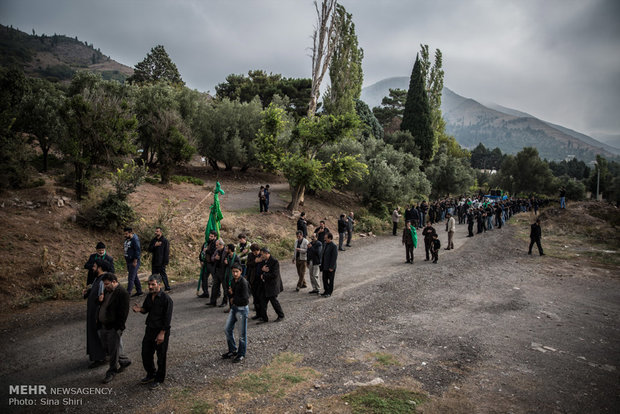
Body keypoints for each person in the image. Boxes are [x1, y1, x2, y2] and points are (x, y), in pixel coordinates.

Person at [132, 274, 173, 390]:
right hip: (150, 329)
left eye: (153, 284)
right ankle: (151, 374)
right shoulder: (149, 296)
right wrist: (140, 309)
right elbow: (146, 309)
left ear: (159, 284)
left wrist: (162, 333)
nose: (150, 287)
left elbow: (167, 319)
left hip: (161, 331)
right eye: (149, 284)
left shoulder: (166, 300)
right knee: (146, 353)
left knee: (161, 356)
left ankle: (159, 379)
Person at [99, 273, 131, 383]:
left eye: (107, 284)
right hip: (104, 325)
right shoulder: (107, 291)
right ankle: (124, 361)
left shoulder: (122, 293)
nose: (105, 286)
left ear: (114, 282)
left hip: (113, 327)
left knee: (113, 351)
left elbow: (123, 313)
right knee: (108, 347)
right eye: (104, 284)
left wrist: (118, 328)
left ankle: (112, 371)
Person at [83, 259, 109, 368]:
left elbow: (103, 297)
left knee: (98, 335)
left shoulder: (104, 280)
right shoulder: (97, 279)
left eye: (94, 266)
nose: (92, 268)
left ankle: (101, 357)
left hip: (97, 313)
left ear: (100, 268)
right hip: (92, 312)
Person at [222, 263, 250, 363]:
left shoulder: (243, 282)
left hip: (242, 309)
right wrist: (231, 295)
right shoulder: (233, 281)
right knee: (227, 329)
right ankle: (232, 350)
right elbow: (231, 293)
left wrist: (234, 299)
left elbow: (245, 299)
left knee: (242, 334)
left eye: (236, 272)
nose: (235, 273)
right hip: (234, 308)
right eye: (233, 272)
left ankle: (241, 353)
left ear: (240, 272)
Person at [257, 247, 284, 323]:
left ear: (266, 253)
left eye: (262, 255)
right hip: (264, 285)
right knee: (262, 301)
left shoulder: (274, 261)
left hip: (272, 285)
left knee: (274, 301)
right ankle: (264, 318)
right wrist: (263, 271)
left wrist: (264, 275)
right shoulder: (263, 261)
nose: (261, 256)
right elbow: (259, 271)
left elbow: (275, 274)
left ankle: (281, 315)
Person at [148, 227, 171, 291]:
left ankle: (167, 287)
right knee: (154, 276)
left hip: (161, 261)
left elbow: (166, 252)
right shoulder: (153, 240)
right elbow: (149, 249)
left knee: (163, 275)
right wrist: (155, 245)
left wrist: (165, 261)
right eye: (155, 231)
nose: (156, 232)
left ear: (161, 232)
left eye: (157, 231)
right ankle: (155, 288)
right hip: (155, 261)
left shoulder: (165, 241)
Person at [123, 227, 143, 297]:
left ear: (130, 233)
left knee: (131, 277)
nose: (125, 235)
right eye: (124, 234)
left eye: (126, 234)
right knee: (134, 277)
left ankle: (127, 294)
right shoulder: (127, 239)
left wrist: (135, 261)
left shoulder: (135, 239)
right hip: (128, 260)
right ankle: (139, 291)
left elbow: (137, 251)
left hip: (133, 261)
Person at [197, 231, 217, 298]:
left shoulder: (216, 244)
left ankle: (217, 293)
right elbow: (201, 252)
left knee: (215, 279)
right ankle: (205, 292)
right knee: (204, 278)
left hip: (212, 264)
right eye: (210, 236)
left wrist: (207, 251)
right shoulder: (206, 243)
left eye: (212, 236)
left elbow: (214, 253)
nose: (210, 237)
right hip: (206, 263)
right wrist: (201, 260)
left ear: (215, 237)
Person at [206, 239, 226, 307]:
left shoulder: (226, 251)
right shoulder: (217, 251)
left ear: (221, 245)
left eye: (217, 245)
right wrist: (215, 258)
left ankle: (225, 302)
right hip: (217, 271)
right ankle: (213, 301)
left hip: (223, 271)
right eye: (216, 245)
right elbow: (212, 258)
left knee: (225, 288)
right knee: (215, 287)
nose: (216, 246)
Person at [222, 243, 241, 311]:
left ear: (230, 249)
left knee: (234, 293)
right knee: (229, 293)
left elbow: (237, 267)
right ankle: (231, 307)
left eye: (227, 248)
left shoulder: (236, 257)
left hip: (233, 278)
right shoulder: (227, 256)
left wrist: (228, 263)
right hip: (227, 276)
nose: (226, 250)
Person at [320, 233, 338, 297]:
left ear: (330, 238)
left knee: (331, 280)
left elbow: (334, 257)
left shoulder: (334, 246)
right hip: (325, 265)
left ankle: (329, 292)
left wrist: (331, 267)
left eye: (326, 238)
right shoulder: (325, 244)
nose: (324, 239)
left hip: (330, 266)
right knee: (324, 279)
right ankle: (326, 291)